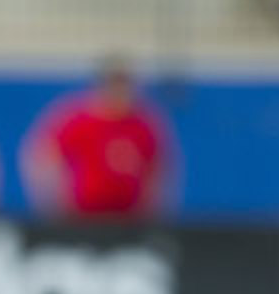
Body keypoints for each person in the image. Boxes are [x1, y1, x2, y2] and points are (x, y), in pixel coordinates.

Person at [20, 57, 178, 220]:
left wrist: (152, 208)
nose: (120, 92)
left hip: (129, 220)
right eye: (115, 84)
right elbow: (42, 158)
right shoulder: (78, 120)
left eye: (125, 84)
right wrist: (55, 204)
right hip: (83, 219)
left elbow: (159, 169)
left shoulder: (144, 124)